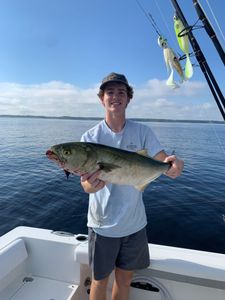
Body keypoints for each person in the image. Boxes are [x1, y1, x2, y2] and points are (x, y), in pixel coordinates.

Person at [80, 72, 184, 300]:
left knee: (125, 279)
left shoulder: (142, 132)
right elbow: (85, 186)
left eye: (121, 92)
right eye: (110, 92)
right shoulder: (90, 137)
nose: (115, 96)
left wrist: (174, 165)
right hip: (103, 225)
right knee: (99, 280)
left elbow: (163, 161)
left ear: (128, 98)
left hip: (135, 225)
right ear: (101, 98)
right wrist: (91, 186)